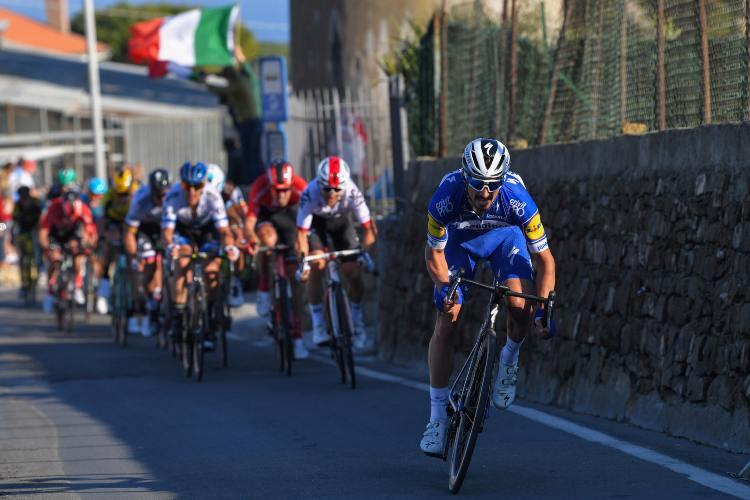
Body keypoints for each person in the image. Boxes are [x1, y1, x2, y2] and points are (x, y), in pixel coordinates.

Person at [418, 138, 556, 456]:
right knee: (447, 318)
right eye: (477, 183)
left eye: (492, 185)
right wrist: (442, 286)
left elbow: (546, 260)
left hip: (504, 238)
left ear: (503, 180)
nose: (484, 192)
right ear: (465, 176)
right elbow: (433, 254)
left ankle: (509, 356)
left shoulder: (517, 198)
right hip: (460, 240)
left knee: (520, 305)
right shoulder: (445, 196)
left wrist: (544, 311)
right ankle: (437, 419)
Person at [296, 156, 377, 352]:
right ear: (319, 184)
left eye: (336, 189)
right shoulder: (310, 193)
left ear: (344, 186)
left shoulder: (352, 192)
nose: (332, 194)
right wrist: (303, 262)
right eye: (327, 189)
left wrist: (366, 254)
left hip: (342, 224)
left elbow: (369, 229)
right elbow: (300, 234)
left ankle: (356, 323)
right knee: (316, 266)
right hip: (317, 226)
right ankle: (318, 324)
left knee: (353, 272)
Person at [162, 162, 240, 350]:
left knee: (211, 267)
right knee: (182, 260)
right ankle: (179, 317)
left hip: (207, 230)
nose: (192, 192)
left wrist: (229, 246)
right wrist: (171, 247)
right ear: (181, 184)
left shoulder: (213, 196)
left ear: (203, 185)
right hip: (183, 231)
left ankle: (210, 314)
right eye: (187, 186)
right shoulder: (172, 197)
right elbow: (167, 233)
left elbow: (224, 230)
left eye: (197, 186)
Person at [245, 160, 309, 359]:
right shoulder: (259, 187)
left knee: (295, 279)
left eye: (285, 190)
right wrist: (253, 240)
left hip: (290, 221)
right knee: (267, 241)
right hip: (267, 219)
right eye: (276, 190)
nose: (281, 195)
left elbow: (312, 219)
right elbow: (249, 223)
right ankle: (264, 288)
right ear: (269, 185)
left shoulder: (300, 187)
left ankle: (297, 337)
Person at [124, 169, 171, 337]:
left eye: (165, 193)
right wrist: (134, 256)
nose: (162, 198)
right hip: (145, 230)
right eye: (159, 195)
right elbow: (130, 233)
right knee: (149, 261)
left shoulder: (174, 197)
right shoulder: (140, 200)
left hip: (167, 228)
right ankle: (152, 299)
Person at [39, 191, 98, 312]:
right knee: (54, 259)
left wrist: (89, 246)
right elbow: (43, 231)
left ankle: (77, 286)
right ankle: (51, 292)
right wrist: (46, 248)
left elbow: (91, 231)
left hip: (73, 233)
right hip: (56, 234)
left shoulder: (83, 209)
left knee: (78, 256)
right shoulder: (54, 207)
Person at [96, 167, 138, 320]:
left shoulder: (137, 194)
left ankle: (134, 305)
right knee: (107, 248)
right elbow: (101, 220)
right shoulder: (108, 196)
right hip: (113, 222)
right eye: (119, 195)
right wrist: (102, 236)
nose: (122, 198)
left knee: (131, 260)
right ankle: (104, 288)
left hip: (131, 223)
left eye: (125, 194)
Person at [12, 186, 42, 300]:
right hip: (23, 234)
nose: (23, 199)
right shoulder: (17, 204)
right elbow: (14, 220)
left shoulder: (36, 203)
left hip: (34, 233)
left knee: (35, 260)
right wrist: (13, 237)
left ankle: (34, 283)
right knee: (23, 260)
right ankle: (24, 284)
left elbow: (40, 218)